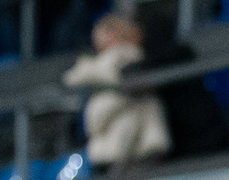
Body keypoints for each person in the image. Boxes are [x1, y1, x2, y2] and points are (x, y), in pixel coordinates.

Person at [63, 13, 171, 170]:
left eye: (108, 35)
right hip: (115, 151)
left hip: (136, 151)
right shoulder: (96, 66)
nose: (104, 41)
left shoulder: (130, 60)